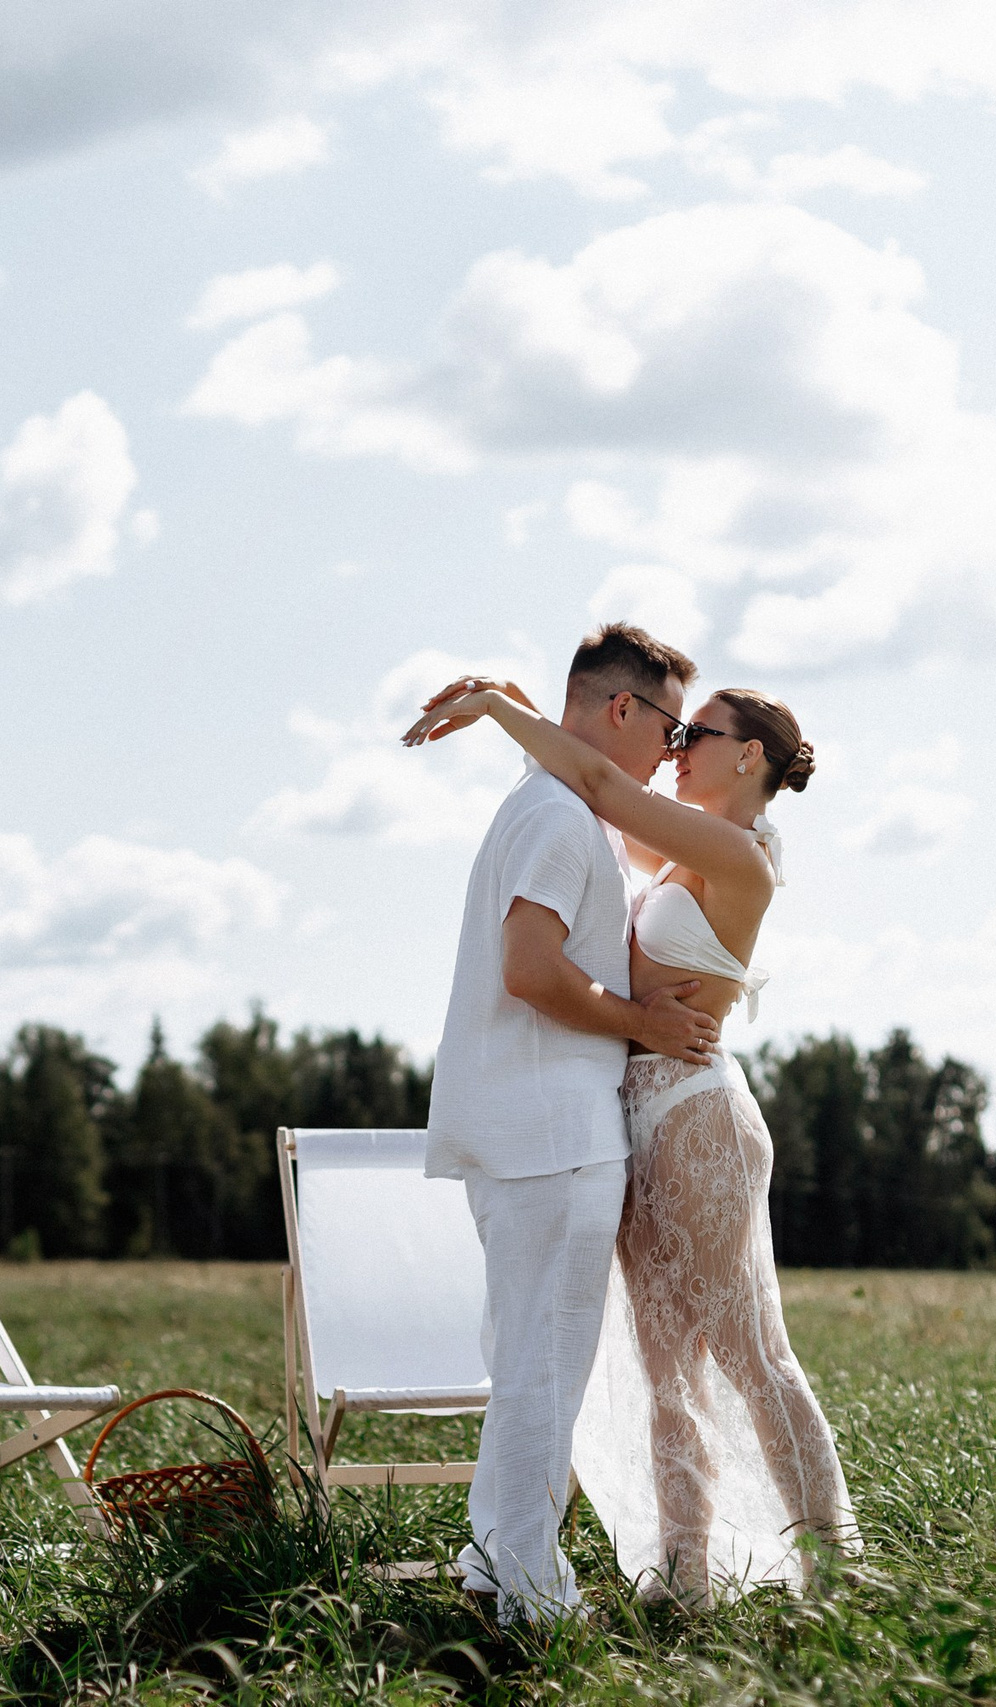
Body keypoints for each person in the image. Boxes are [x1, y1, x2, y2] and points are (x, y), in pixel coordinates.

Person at [405, 669, 857, 1607]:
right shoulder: (680, 848)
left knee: (746, 1349)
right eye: (677, 729)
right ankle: (685, 1574)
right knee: (664, 1364)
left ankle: (835, 1565)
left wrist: (502, 715)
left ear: (749, 758)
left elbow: (608, 788)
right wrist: (557, 719)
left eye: (699, 733)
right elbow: (596, 791)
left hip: (697, 1118)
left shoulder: (743, 858)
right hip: (635, 1115)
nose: (680, 746)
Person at [413, 623, 722, 1623]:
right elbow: (530, 969)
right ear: (623, 710)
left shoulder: (543, 801)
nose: (674, 758)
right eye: (671, 730)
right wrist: (644, 1023)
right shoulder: (558, 818)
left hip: (519, 1125)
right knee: (548, 1368)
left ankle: (488, 1563)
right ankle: (530, 1593)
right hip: (548, 1129)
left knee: (526, 1362)